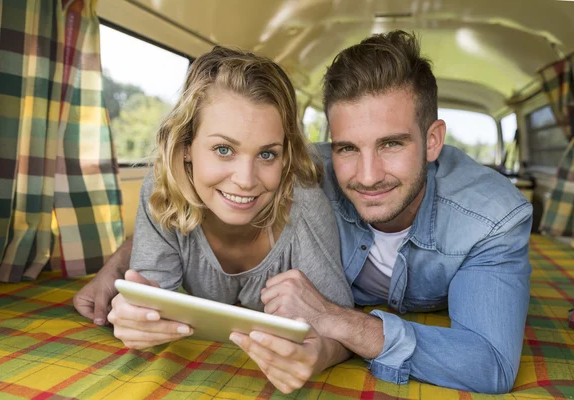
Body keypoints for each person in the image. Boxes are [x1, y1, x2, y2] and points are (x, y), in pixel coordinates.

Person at [75, 31, 533, 394]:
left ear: (433, 141)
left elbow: (488, 363)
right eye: (347, 147)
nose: (368, 175)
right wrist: (119, 264)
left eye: (392, 143)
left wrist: (338, 322)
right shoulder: (305, 171)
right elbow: (186, 201)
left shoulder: (491, 219)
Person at [85, 45, 355, 394]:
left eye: (267, 154)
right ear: (186, 147)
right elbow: (151, 300)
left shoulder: (305, 206)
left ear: (286, 156)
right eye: (223, 149)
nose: (245, 179)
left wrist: (321, 355)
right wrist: (136, 320)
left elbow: (339, 327)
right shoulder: (162, 192)